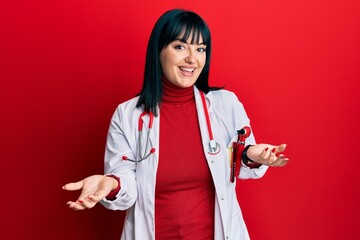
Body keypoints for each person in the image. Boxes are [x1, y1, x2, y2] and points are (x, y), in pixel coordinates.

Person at [63, 9, 289, 240]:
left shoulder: (225, 105)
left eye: (200, 49)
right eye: (180, 46)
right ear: (158, 50)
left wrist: (252, 155)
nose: (192, 59)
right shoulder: (127, 115)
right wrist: (110, 183)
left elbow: (238, 163)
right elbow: (126, 187)